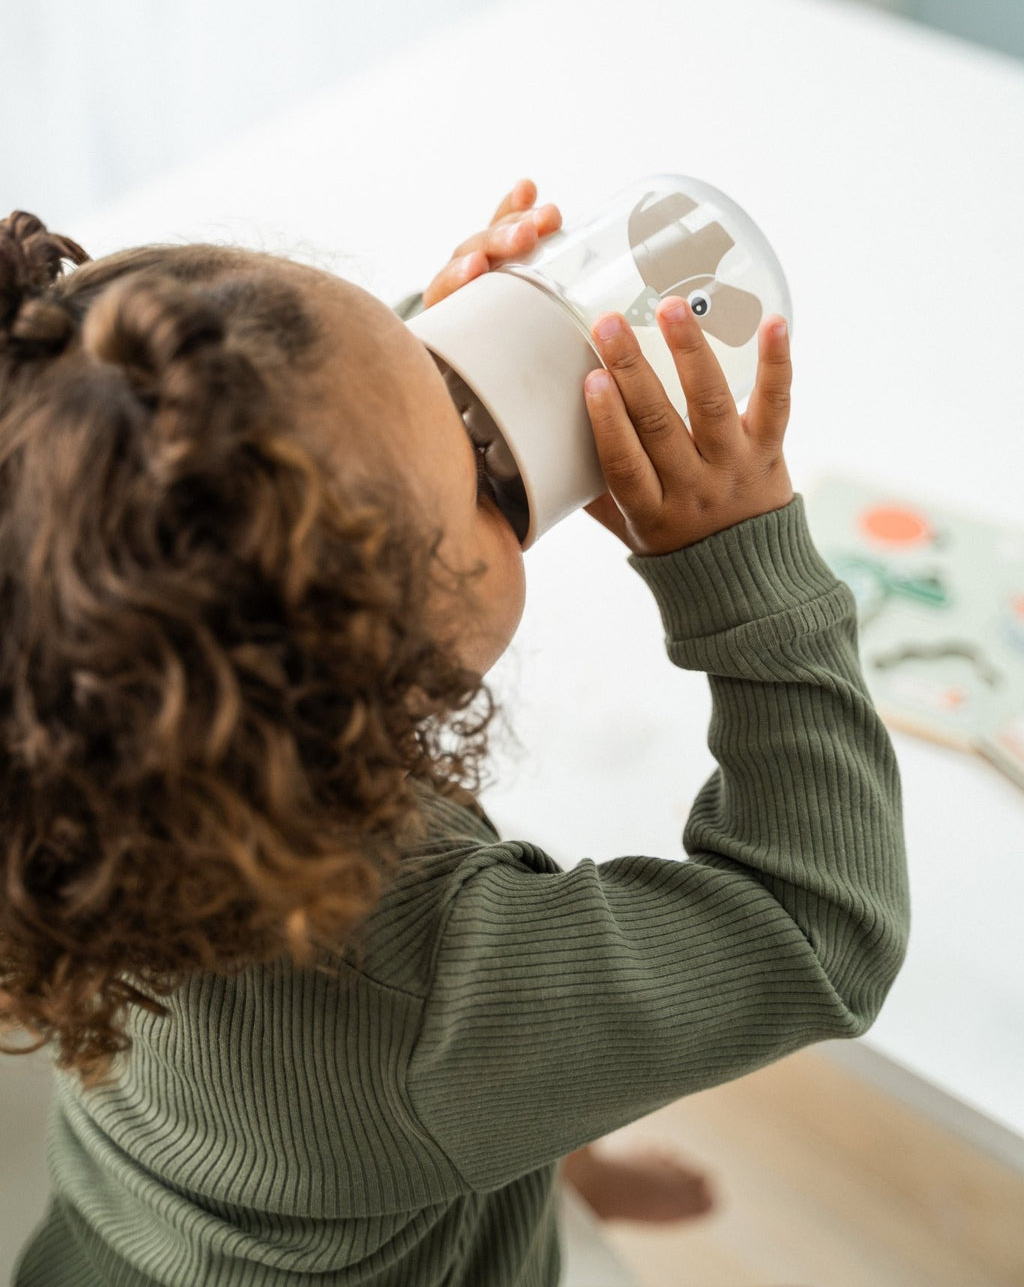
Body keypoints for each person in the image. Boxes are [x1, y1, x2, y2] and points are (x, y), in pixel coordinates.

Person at [2, 179, 910, 1287]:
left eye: (425, 345)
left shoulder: (87, 785)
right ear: (354, 661)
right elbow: (816, 929)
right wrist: (740, 562)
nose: (480, 425)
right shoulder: (426, 1000)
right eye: (479, 470)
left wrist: (387, 397)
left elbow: (225, 514)